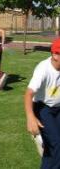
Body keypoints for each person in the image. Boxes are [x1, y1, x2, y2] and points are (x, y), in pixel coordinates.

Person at [24, 38, 60, 169]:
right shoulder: (43, 69)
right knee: (57, 144)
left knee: (52, 147)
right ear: (55, 55)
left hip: (57, 108)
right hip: (42, 108)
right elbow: (28, 94)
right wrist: (30, 117)